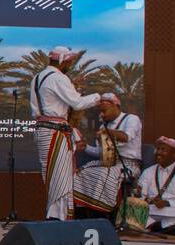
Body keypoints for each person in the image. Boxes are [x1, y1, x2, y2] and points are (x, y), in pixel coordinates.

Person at [29, 45, 100, 221]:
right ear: (62, 61)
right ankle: (57, 218)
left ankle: (54, 214)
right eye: (69, 62)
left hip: (43, 129)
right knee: (61, 176)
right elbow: (77, 103)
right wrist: (98, 97)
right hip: (55, 132)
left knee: (52, 174)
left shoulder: (37, 78)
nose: (70, 65)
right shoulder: (58, 78)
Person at [73, 93, 142, 220]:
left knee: (103, 175)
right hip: (107, 163)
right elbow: (101, 152)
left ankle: (103, 215)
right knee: (79, 174)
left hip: (128, 164)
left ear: (115, 106)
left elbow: (126, 137)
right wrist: (86, 147)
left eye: (104, 111)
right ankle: (83, 215)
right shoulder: (104, 126)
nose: (102, 114)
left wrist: (106, 132)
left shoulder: (131, 119)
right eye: (101, 111)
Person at [137, 136, 175, 235]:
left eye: (163, 150)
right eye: (158, 149)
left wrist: (167, 203)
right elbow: (141, 196)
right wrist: (145, 199)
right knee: (131, 209)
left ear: (174, 154)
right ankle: (165, 227)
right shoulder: (148, 172)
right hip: (152, 210)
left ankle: (156, 226)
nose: (158, 153)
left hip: (173, 212)